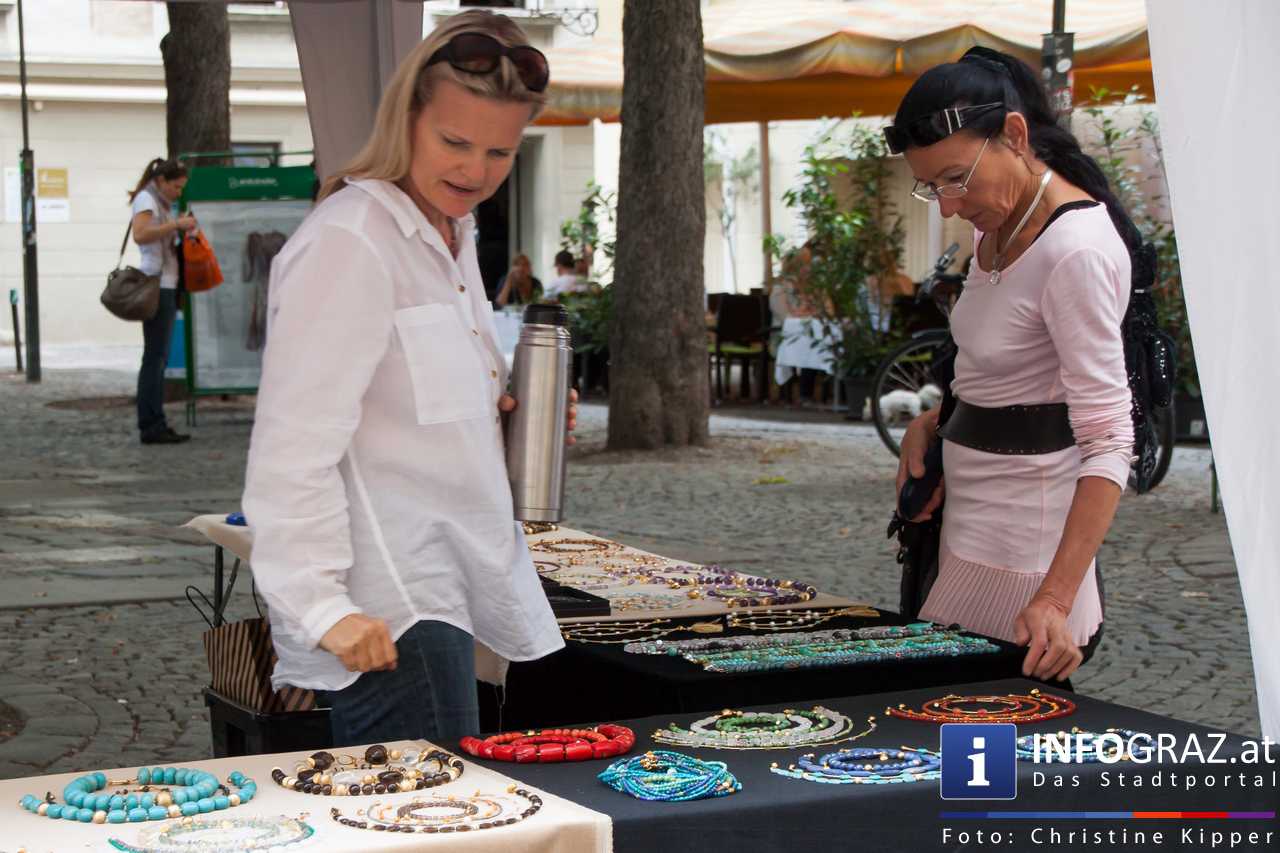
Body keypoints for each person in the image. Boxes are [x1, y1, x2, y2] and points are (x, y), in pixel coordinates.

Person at [242, 10, 576, 747]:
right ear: (406, 118)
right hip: (390, 608)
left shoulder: (451, 233)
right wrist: (321, 607)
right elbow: (291, 449)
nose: (475, 170)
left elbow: (414, 406)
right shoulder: (353, 240)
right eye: (454, 141)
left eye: (500, 151)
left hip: (443, 590)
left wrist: (510, 416)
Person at [886, 46, 1137, 684]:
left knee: (992, 747)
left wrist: (1054, 598)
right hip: (970, 529)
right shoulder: (995, 221)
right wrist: (939, 421)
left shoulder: (1075, 251)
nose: (946, 204)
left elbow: (1110, 441)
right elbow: (1010, 369)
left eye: (955, 177)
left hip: (1028, 549)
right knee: (952, 728)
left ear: (1016, 136)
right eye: (931, 185)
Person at [128, 158, 197, 445]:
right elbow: (140, 234)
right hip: (157, 283)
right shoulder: (147, 198)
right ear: (162, 182)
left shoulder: (161, 202)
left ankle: (156, 420)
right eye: (177, 187)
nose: (179, 192)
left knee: (159, 357)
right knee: (155, 357)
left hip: (167, 282)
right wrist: (176, 226)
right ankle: (150, 424)